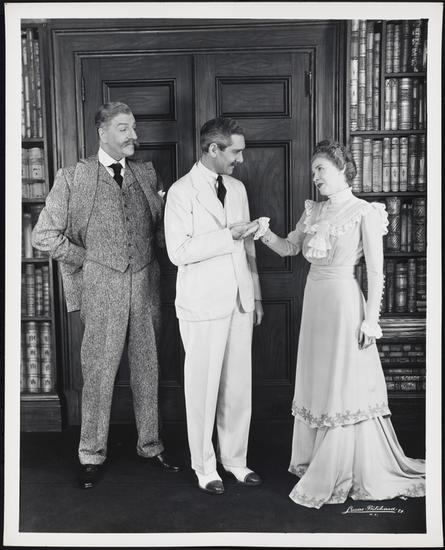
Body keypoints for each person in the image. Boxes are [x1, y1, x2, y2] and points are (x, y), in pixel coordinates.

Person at [252, 140, 426, 508]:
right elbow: (289, 248)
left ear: (343, 169)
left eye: (321, 169)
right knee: (319, 377)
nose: (315, 176)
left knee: (343, 380)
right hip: (315, 301)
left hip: (345, 303)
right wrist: (262, 232)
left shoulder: (364, 212)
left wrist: (370, 322)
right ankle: (317, 456)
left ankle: (341, 463)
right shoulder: (313, 210)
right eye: (313, 170)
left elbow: (376, 272)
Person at [31, 102, 180, 489]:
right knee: (98, 373)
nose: (134, 135)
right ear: (103, 132)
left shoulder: (146, 174)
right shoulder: (74, 177)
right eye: (124, 128)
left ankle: (151, 445)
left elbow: (160, 232)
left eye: (134, 127)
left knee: (148, 369)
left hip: (146, 287)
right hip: (100, 290)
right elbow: (43, 235)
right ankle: (91, 453)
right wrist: (87, 260)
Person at [164, 117, 263, 495]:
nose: (241, 158)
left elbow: (248, 246)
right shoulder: (181, 192)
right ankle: (204, 467)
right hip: (202, 303)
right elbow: (178, 252)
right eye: (235, 151)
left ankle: (235, 460)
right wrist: (227, 236)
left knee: (238, 387)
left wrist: (255, 295)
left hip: (239, 300)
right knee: (203, 389)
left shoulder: (237, 188)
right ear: (213, 149)